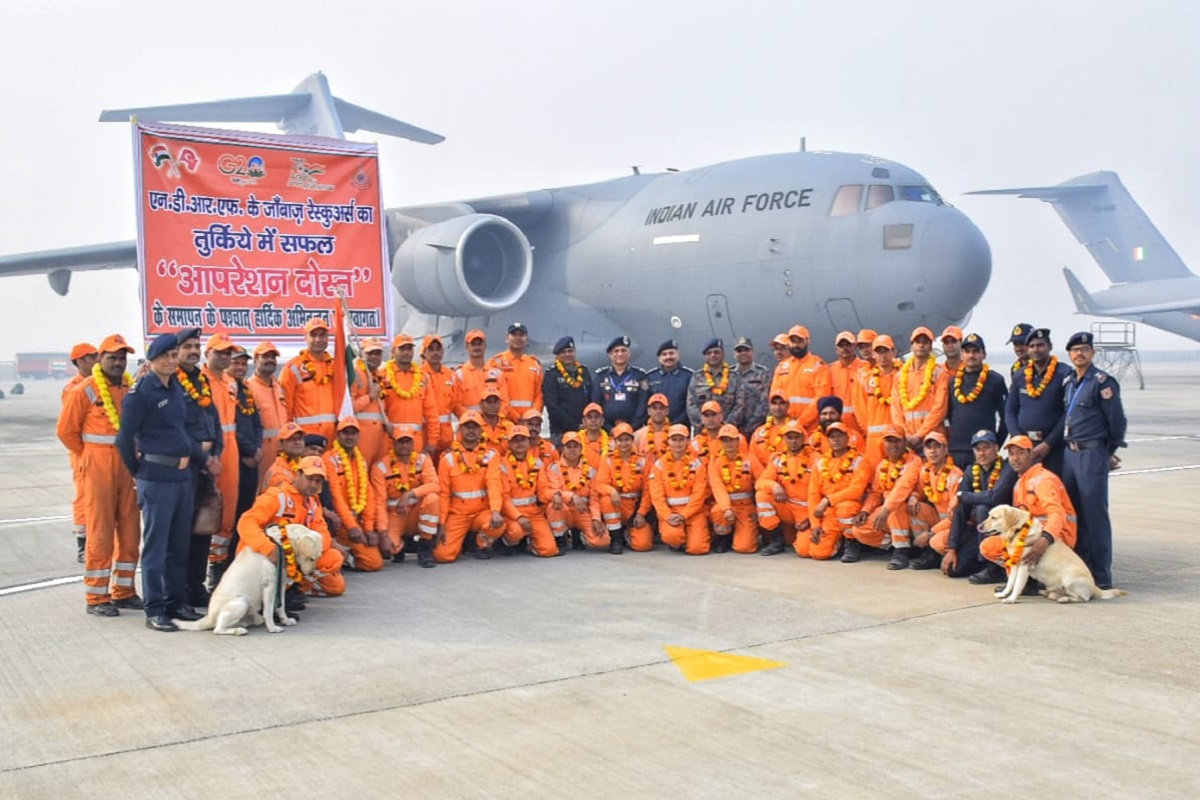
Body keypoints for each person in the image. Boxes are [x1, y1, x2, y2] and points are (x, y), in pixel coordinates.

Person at [116, 333, 205, 631]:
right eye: (165, 355)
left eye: (173, 355)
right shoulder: (142, 393)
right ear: (152, 359)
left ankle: (175, 601)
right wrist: (139, 472)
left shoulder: (176, 387)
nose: (170, 360)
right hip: (156, 476)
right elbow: (124, 439)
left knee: (179, 545)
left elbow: (181, 430)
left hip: (181, 477)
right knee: (156, 546)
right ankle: (155, 608)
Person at [58, 333, 143, 618]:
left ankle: (124, 591)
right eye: (112, 357)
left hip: (127, 466)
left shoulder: (130, 389)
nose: (118, 363)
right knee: (101, 531)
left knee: (131, 531)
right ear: (100, 359)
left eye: (122, 358)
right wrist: (89, 458)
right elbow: (66, 431)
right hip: (98, 466)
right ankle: (96, 595)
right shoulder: (85, 390)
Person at [1061, 330, 1127, 589]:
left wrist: (1105, 452)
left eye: (1084, 349)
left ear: (1092, 353)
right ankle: (1083, 567)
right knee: (1075, 514)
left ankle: (1101, 575)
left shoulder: (1102, 382)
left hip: (1092, 453)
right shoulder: (1070, 382)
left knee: (1095, 515)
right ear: (1069, 353)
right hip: (1070, 454)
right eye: (1075, 350)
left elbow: (1117, 421)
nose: (1079, 353)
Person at [237, 455, 346, 600]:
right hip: (263, 555)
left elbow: (322, 533)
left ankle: (293, 587)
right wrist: (269, 549)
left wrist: (308, 549)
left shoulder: (313, 502)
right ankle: (274, 594)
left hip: (294, 554)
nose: (313, 484)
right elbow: (246, 522)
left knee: (334, 561)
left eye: (318, 481)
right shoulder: (277, 495)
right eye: (310, 478)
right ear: (298, 474)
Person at [174, 327, 224, 608]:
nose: (193, 351)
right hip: (183, 468)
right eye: (187, 347)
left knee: (203, 528)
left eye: (196, 346)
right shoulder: (173, 382)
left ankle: (196, 586)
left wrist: (215, 452)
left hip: (205, 467)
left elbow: (214, 422)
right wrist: (202, 455)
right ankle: (180, 590)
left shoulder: (201, 382)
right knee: (180, 531)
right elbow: (174, 428)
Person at [979, 435, 1078, 576]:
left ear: (1031, 454)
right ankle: (1023, 576)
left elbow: (1057, 514)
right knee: (990, 546)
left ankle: (1028, 577)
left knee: (996, 546)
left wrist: (1046, 538)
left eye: (1020, 453)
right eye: (1011, 454)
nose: (1015, 458)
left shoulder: (1043, 479)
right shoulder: (1021, 481)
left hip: (1057, 536)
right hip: (1033, 534)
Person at [944, 430, 1016, 583]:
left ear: (996, 448)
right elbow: (961, 507)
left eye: (986, 447)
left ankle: (994, 567)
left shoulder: (1007, 468)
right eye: (978, 449)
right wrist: (952, 548)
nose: (982, 453)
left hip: (1004, 532)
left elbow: (994, 496)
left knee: (983, 507)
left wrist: (961, 496)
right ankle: (982, 562)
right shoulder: (971, 470)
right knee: (954, 570)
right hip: (980, 531)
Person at [432, 411, 505, 563]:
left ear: (481, 431)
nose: (471, 430)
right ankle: (462, 542)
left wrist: (496, 511)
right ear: (459, 430)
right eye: (467, 427)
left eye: (475, 427)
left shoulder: (491, 455)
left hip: (481, 512)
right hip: (458, 514)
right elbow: (444, 494)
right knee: (443, 556)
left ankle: (481, 544)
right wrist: (442, 524)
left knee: (498, 525)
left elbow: (494, 484)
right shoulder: (448, 458)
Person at [846, 425, 921, 565]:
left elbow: (903, 488)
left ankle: (902, 550)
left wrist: (886, 509)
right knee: (858, 530)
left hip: (909, 510)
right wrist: (865, 510)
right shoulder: (882, 466)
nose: (893, 445)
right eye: (889, 441)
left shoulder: (914, 461)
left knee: (895, 508)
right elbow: (876, 493)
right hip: (887, 511)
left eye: (897, 441)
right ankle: (896, 545)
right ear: (883, 444)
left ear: (905, 442)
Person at [368, 424, 440, 568]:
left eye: (407, 441)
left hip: (416, 513)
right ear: (393, 443)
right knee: (389, 548)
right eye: (400, 441)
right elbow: (380, 503)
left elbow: (435, 485)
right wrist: (383, 533)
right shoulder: (380, 467)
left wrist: (409, 494)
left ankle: (425, 548)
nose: (404, 445)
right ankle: (403, 545)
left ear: (413, 443)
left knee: (433, 499)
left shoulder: (423, 459)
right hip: (395, 515)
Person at [484, 425, 561, 558]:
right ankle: (506, 543)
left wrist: (555, 494)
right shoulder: (502, 465)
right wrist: (518, 517)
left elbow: (543, 492)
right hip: (512, 515)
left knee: (549, 550)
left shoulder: (537, 464)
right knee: (515, 532)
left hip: (534, 514)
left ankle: (530, 544)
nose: (519, 443)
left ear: (528, 442)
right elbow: (504, 498)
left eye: (522, 440)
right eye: (515, 440)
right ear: (509, 444)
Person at [1004, 327, 1071, 477]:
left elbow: (1068, 413)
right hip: (1025, 448)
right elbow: (1010, 410)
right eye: (1032, 346)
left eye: (1040, 345)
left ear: (1050, 346)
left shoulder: (1064, 374)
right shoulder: (1020, 375)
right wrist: (1018, 439)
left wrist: (1049, 443)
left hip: (1054, 448)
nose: (1036, 350)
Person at [201, 333, 240, 574]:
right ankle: (204, 567)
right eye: (220, 352)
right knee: (207, 510)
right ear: (208, 354)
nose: (225, 357)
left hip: (231, 451)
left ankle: (219, 568)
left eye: (228, 353)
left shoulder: (230, 382)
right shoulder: (199, 382)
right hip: (209, 452)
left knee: (229, 508)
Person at [324, 417, 383, 572]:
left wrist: (369, 528)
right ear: (337, 435)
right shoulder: (329, 460)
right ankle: (339, 552)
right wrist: (351, 526)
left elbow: (369, 495)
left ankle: (345, 557)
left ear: (358, 436)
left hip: (357, 522)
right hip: (340, 523)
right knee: (373, 562)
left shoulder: (360, 460)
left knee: (376, 561)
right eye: (345, 433)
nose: (350, 437)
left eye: (353, 433)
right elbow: (336, 496)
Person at [806, 422, 870, 561]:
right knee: (816, 553)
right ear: (827, 440)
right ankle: (838, 542)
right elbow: (813, 495)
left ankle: (852, 543)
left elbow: (856, 490)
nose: (835, 439)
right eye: (832, 437)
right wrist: (815, 524)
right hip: (828, 514)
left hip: (851, 510)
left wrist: (828, 500)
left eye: (839, 436)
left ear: (847, 438)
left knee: (845, 508)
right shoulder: (820, 462)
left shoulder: (859, 461)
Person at [946, 332, 1007, 468]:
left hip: (983, 449)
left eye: (975, 351)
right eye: (967, 351)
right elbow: (949, 415)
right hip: (956, 450)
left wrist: (996, 444)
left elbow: (1005, 417)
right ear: (962, 354)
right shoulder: (953, 381)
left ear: (983, 354)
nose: (971, 355)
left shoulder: (995, 380)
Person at [648, 424, 711, 555]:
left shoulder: (697, 464)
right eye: (674, 439)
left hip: (694, 512)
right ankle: (680, 541)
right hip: (670, 513)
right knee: (672, 536)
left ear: (688, 441)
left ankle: (694, 536)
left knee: (697, 549)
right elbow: (657, 497)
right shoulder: (659, 465)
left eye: (681, 439)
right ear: (668, 442)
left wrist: (684, 515)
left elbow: (699, 495)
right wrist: (667, 516)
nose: (678, 443)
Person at [754, 419, 814, 556]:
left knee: (804, 551)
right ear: (784, 439)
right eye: (789, 437)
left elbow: (822, 492)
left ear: (803, 438)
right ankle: (776, 540)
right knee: (762, 495)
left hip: (807, 511)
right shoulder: (777, 459)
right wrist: (774, 485)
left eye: (796, 437)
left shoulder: (816, 459)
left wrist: (811, 518)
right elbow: (760, 483)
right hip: (786, 507)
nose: (793, 441)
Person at [905, 431, 964, 570]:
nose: (932, 451)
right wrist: (914, 497)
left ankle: (937, 551)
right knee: (916, 508)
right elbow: (919, 491)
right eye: (929, 447)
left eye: (937, 446)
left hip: (954, 523)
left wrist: (931, 532)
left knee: (937, 542)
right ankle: (927, 553)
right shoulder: (924, 470)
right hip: (937, 519)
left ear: (946, 450)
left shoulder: (956, 475)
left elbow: (956, 515)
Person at [63, 341, 99, 562]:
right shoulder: (75, 388)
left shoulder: (96, 384)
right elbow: (68, 428)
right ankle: (83, 543)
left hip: (94, 454)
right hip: (83, 454)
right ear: (80, 361)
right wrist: (85, 453)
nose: (96, 360)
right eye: (91, 356)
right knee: (83, 497)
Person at [227, 346, 263, 556]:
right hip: (235, 459)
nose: (240, 367)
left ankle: (237, 556)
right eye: (236, 363)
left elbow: (257, 424)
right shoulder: (224, 388)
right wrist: (249, 451)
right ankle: (220, 564)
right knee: (228, 515)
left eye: (243, 363)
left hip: (251, 461)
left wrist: (257, 450)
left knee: (244, 511)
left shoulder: (246, 390)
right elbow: (230, 426)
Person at [891, 326, 950, 454]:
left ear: (930, 346)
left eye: (925, 342)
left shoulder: (939, 373)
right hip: (907, 440)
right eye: (918, 342)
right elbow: (896, 410)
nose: (921, 345)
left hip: (933, 439)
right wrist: (905, 435)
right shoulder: (900, 376)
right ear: (912, 345)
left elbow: (940, 409)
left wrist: (919, 435)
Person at [594, 423, 652, 553]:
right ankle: (616, 538)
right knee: (606, 500)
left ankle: (628, 533)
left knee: (643, 545)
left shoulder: (642, 460)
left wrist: (641, 513)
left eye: (627, 439)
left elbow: (648, 490)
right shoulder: (607, 459)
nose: (624, 443)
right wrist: (612, 491)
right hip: (617, 503)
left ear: (632, 440)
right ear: (615, 442)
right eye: (620, 440)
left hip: (635, 506)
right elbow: (599, 484)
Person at [378, 333, 439, 456]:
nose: (406, 352)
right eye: (402, 348)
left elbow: (431, 413)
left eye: (409, 348)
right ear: (393, 351)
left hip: (415, 442)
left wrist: (432, 441)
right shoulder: (382, 376)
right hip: (389, 441)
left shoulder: (423, 377)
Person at [280, 317, 339, 442]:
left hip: (333, 438)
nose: (318, 339)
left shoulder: (336, 367)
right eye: (313, 335)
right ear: (305, 337)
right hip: (303, 438)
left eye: (322, 335)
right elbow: (286, 408)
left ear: (328, 338)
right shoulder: (293, 368)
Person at [709, 423, 762, 553]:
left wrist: (759, 509)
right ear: (720, 442)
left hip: (746, 507)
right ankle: (723, 538)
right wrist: (726, 508)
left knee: (745, 547)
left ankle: (741, 534)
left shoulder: (750, 460)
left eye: (732, 440)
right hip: (725, 506)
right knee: (719, 513)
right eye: (725, 440)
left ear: (738, 440)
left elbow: (762, 482)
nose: (729, 444)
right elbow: (718, 488)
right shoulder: (715, 463)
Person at [547, 431, 604, 551]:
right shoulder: (554, 468)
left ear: (581, 448)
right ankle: (560, 539)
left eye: (575, 446)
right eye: (568, 447)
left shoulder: (590, 470)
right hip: (564, 510)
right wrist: (572, 496)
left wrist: (596, 518)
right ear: (562, 449)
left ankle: (581, 535)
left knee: (602, 541)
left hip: (583, 512)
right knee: (554, 506)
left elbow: (594, 497)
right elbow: (554, 490)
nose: (572, 450)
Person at [770, 325, 830, 433]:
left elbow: (821, 397)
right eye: (793, 341)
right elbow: (774, 397)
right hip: (785, 428)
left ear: (807, 341)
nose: (796, 344)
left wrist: (801, 422)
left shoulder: (818, 366)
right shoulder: (782, 367)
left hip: (811, 428)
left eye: (800, 341)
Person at [246, 341, 288, 488]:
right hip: (261, 454)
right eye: (265, 356)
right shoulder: (248, 388)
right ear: (256, 359)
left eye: (273, 357)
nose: (270, 360)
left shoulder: (279, 386)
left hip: (283, 452)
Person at [488, 322, 543, 422]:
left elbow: (540, 395)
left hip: (529, 422)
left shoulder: (534, 364)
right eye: (514, 335)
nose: (518, 338)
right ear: (507, 338)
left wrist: (533, 415)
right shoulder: (496, 362)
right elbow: (495, 393)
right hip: (505, 421)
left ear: (526, 339)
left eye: (521, 335)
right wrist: (515, 417)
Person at [421, 334, 465, 457]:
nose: (435, 353)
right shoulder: (419, 375)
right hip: (425, 436)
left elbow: (456, 405)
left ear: (443, 351)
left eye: (438, 349)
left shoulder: (451, 375)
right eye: (431, 349)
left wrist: (471, 420)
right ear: (424, 352)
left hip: (446, 437)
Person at [543, 335, 593, 441]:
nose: (567, 355)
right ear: (557, 355)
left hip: (584, 429)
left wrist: (587, 422)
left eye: (570, 351)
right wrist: (574, 425)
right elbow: (552, 406)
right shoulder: (552, 374)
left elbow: (590, 398)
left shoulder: (583, 371)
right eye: (563, 352)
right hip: (561, 431)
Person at [592, 335, 648, 429]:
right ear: (610, 354)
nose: (620, 354)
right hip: (606, 431)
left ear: (629, 353)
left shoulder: (639, 376)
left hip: (633, 430)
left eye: (623, 350)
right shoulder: (601, 376)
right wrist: (608, 428)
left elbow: (642, 404)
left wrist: (632, 427)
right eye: (616, 351)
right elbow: (595, 404)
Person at [688, 338, 743, 431]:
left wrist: (726, 425)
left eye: (716, 352)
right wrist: (705, 424)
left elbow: (740, 404)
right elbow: (691, 405)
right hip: (703, 432)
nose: (713, 355)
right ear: (705, 356)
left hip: (728, 433)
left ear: (723, 354)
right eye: (709, 353)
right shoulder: (697, 377)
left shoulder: (734, 377)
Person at [349, 337, 388, 466]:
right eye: (370, 353)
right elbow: (349, 407)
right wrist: (369, 397)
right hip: (361, 436)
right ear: (361, 354)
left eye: (377, 353)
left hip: (379, 437)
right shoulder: (355, 374)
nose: (374, 357)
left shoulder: (381, 376)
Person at [456, 329, 509, 413]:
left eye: (479, 344)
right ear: (467, 346)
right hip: (471, 424)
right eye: (473, 344)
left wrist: (495, 420)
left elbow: (505, 402)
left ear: (485, 346)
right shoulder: (459, 375)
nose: (477, 347)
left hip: (493, 424)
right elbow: (457, 405)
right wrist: (472, 421)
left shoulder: (497, 373)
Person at [644, 339, 693, 426]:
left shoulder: (689, 376)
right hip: (656, 427)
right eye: (664, 354)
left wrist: (677, 422)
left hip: (681, 427)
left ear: (678, 355)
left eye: (671, 353)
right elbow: (645, 403)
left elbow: (691, 404)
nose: (668, 357)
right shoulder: (651, 377)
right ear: (659, 358)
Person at [827, 331, 866, 438]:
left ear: (855, 346)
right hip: (839, 428)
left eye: (848, 344)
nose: (845, 348)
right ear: (836, 349)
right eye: (841, 345)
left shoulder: (866, 368)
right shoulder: (830, 371)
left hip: (862, 426)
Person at [731, 337, 770, 438]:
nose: (743, 353)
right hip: (732, 430)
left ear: (753, 352)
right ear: (734, 354)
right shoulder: (728, 374)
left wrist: (749, 427)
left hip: (757, 428)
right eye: (739, 351)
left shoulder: (763, 373)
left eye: (746, 350)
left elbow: (765, 403)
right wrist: (731, 424)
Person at [749, 391, 791, 466]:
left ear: (788, 405)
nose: (777, 407)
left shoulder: (795, 431)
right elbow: (752, 460)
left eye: (781, 403)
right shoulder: (759, 433)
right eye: (774, 403)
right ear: (769, 405)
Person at [634, 393, 672, 461]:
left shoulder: (674, 435)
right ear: (649, 411)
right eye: (654, 408)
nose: (658, 411)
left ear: (667, 411)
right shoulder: (638, 436)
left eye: (661, 408)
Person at [479, 385, 515, 456]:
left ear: (500, 404)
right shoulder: (473, 426)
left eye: (495, 402)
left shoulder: (510, 427)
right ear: (481, 404)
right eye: (489, 402)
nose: (492, 405)